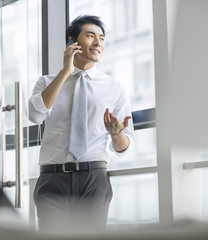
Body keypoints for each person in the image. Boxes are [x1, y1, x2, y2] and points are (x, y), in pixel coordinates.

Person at [29, 15, 134, 234]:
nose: (98, 43)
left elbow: (124, 146)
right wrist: (66, 71)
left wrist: (116, 135)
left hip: (93, 178)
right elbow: (35, 115)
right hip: (52, 179)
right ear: (72, 41)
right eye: (90, 36)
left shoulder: (114, 87)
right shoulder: (47, 82)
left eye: (102, 38)